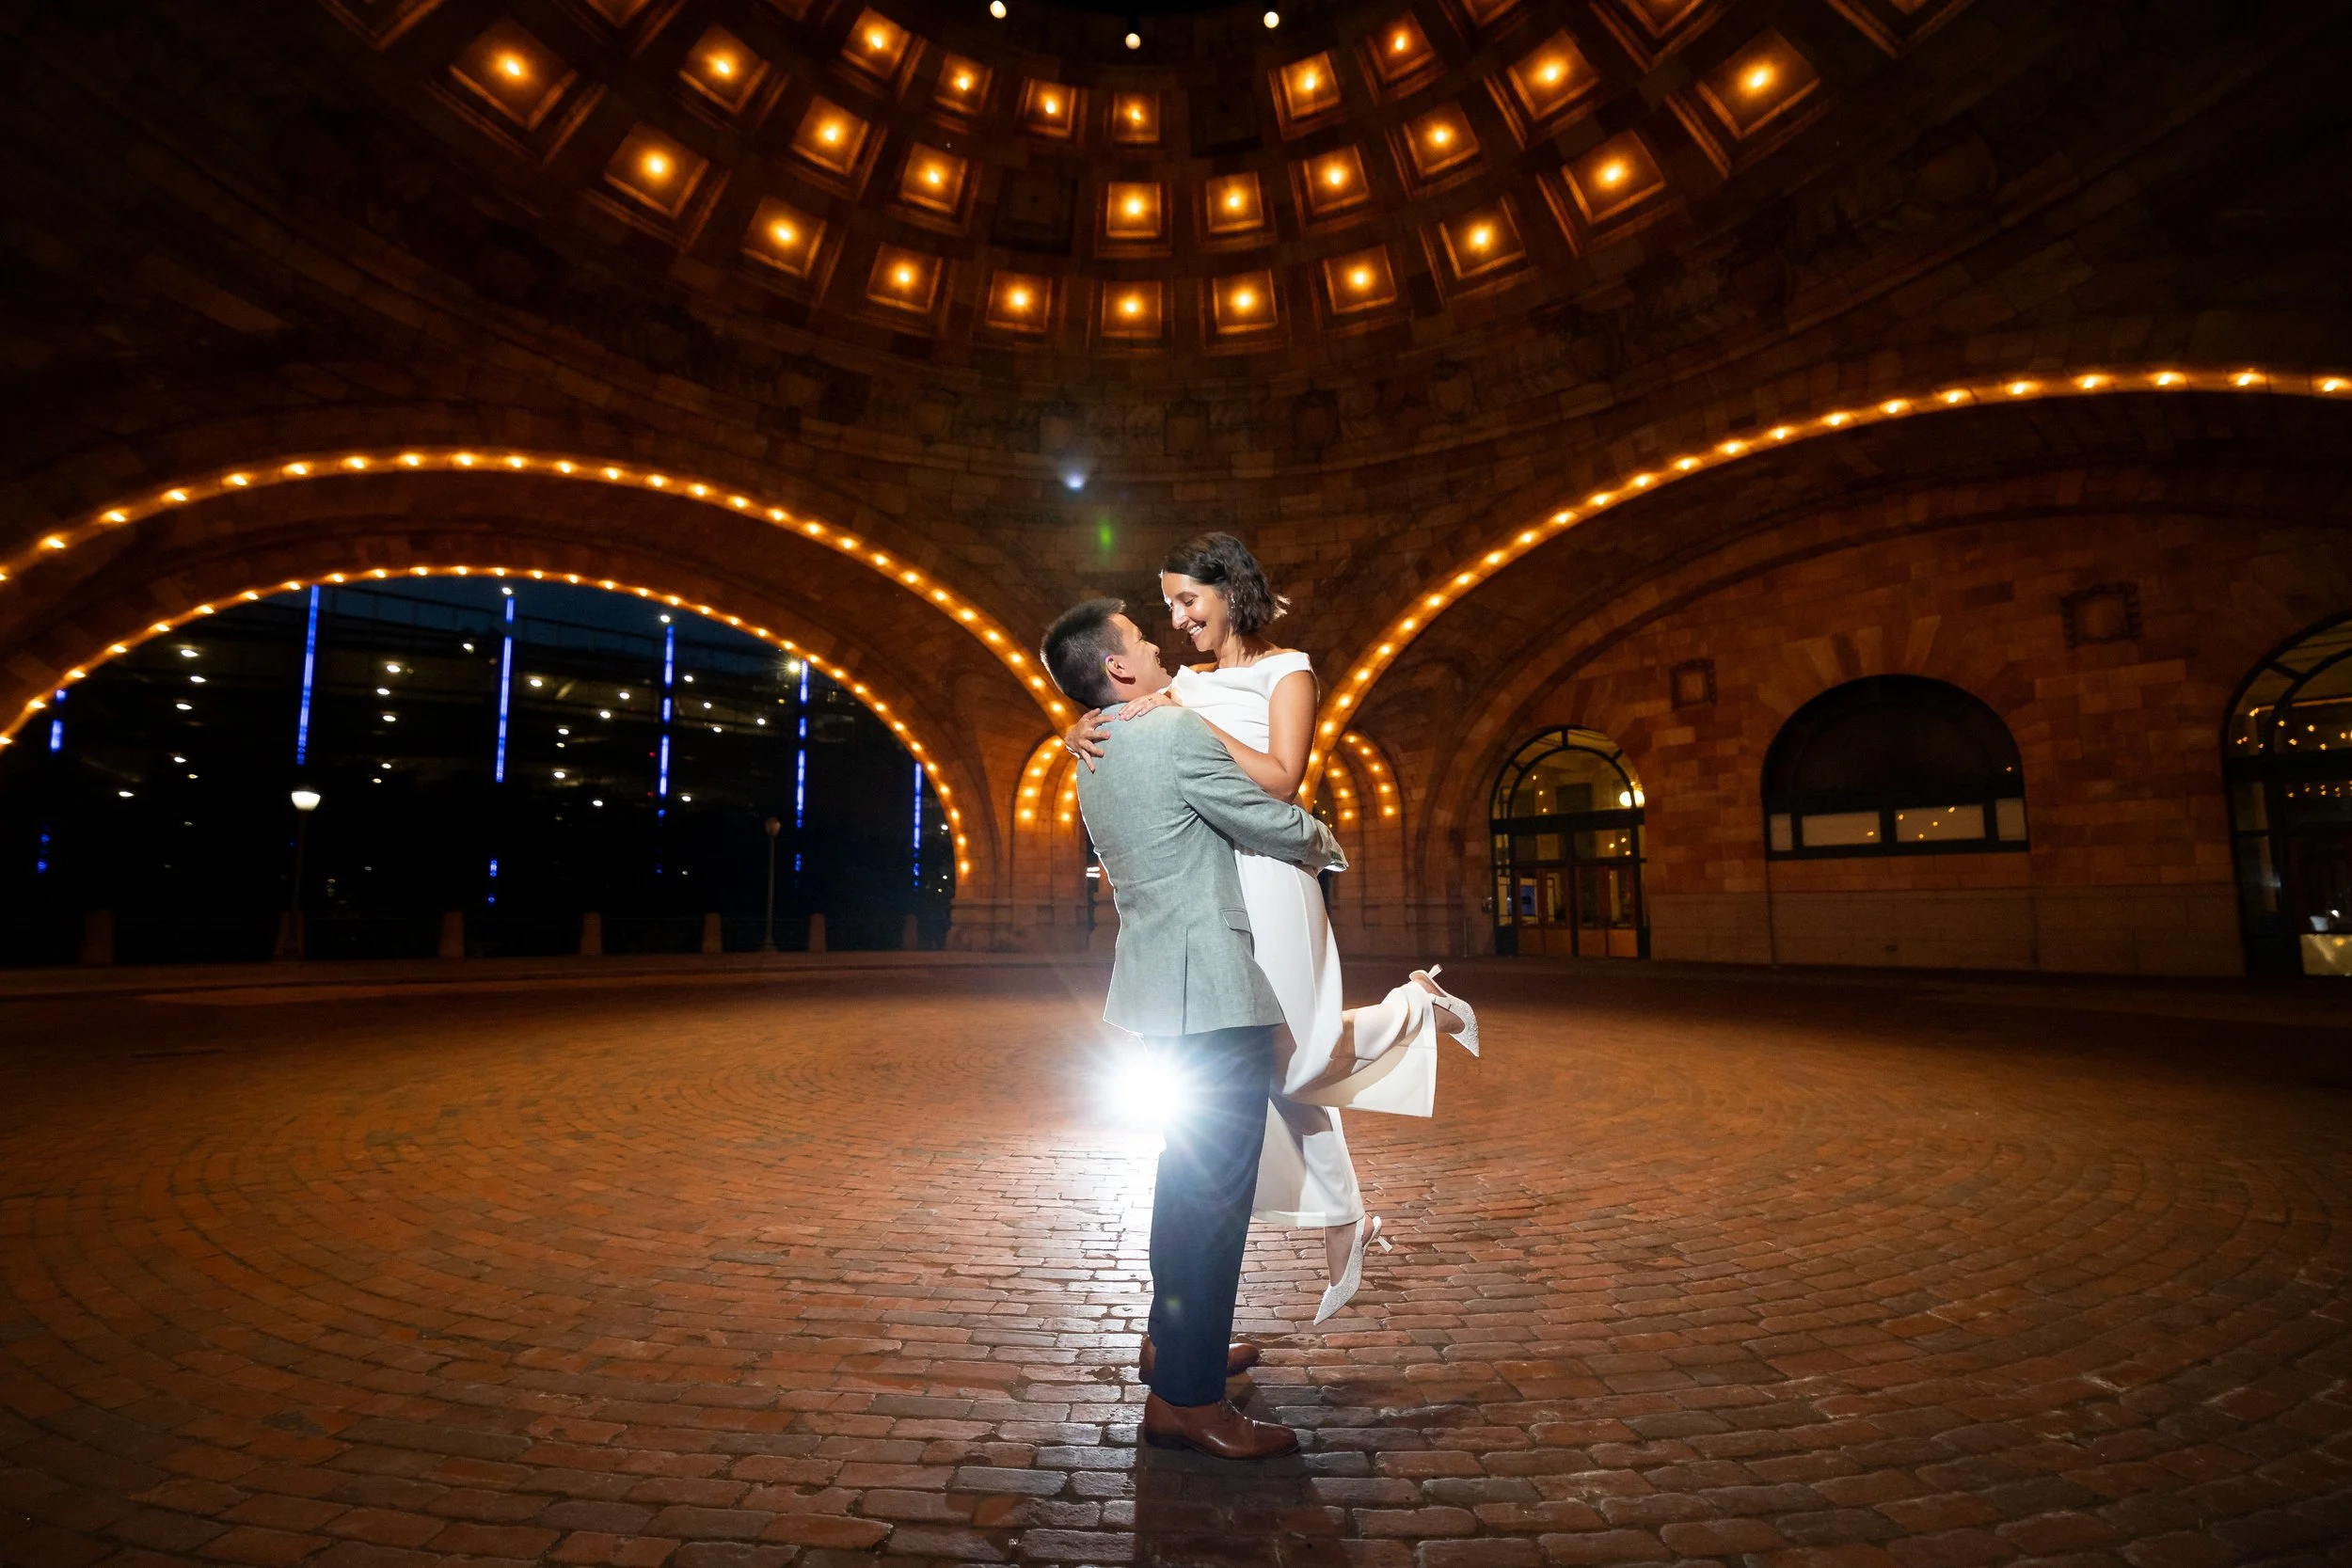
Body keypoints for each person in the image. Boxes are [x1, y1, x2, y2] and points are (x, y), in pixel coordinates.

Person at [1064, 534, 1478, 1323]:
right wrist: (1077, 729)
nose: (1179, 620)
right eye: (1169, 608)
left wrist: (1186, 724)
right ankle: (1347, 1218)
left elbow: (1285, 780)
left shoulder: (1290, 671)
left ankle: (1416, 1008)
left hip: (1275, 870)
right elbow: (1123, 712)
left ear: (1230, 589)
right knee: (1274, 1067)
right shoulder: (1180, 681)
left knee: (1300, 1055)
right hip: (1219, 875)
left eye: (1189, 599)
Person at [1041, 596, 1344, 1460]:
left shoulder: (1091, 751)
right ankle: (1190, 1400)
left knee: (1186, 1182)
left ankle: (1177, 1345)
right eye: (1141, 637)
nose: (1160, 640)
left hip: (1156, 988)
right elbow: (1263, 815)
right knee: (1213, 1198)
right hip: (1213, 988)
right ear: (1120, 669)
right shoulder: (1170, 734)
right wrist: (1324, 840)